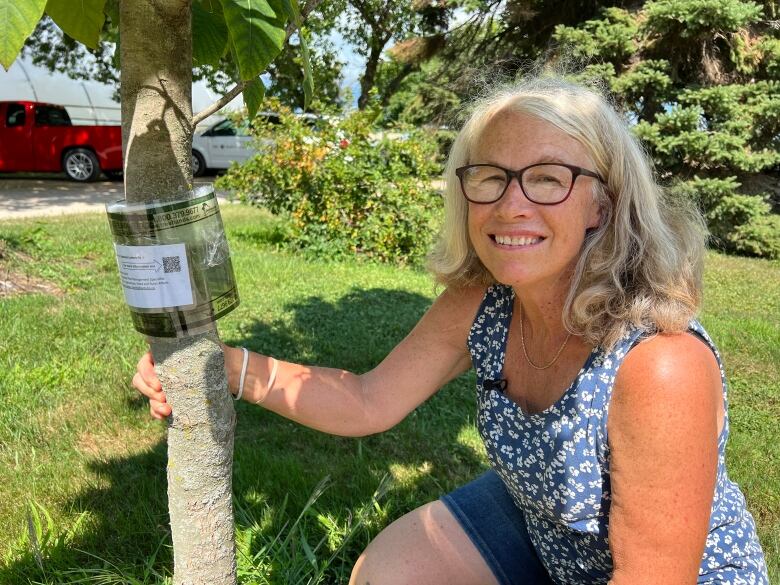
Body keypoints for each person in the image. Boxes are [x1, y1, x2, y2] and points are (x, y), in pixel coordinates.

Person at [133, 76, 769, 585]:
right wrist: (222, 365)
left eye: (548, 177)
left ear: (601, 202)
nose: (511, 203)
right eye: (489, 176)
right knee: (385, 575)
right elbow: (367, 400)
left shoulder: (660, 363)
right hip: (547, 526)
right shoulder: (486, 301)